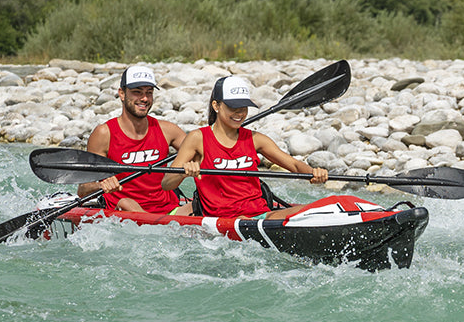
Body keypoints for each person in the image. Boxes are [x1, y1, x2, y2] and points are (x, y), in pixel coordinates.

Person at [167, 74, 328, 219]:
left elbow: (294, 164)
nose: (240, 113)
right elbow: (166, 183)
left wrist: (314, 174)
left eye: (243, 107)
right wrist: (184, 173)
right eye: (233, 107)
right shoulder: (197, 138)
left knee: (319, 208)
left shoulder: (255, 139)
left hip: (259, 215)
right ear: (216, 106)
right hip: (225, 221)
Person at [77, 64, 191, 214]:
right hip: (125, 211)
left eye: (148, 93)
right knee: (127, 203)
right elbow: (83, 190)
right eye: (137, 92)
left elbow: (207, 156)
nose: (144, 98)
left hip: (168, 211)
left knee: (197, 204)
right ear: (122, 94)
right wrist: (101, 186)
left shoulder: (168, 130)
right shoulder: (104, 134)